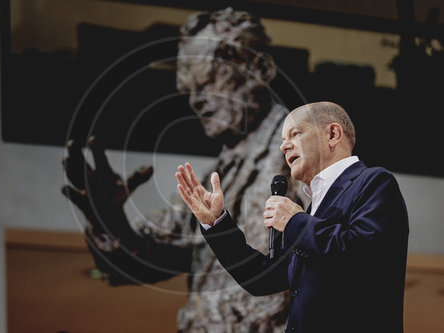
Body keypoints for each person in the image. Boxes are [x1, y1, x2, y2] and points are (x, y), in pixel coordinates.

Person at [62, 8, 308, 332]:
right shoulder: (218, 175)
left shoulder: (304, 157)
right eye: (188, 89)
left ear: (259, 69)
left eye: (207, 81)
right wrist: (111, 221)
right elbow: (143, 261)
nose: (195, 101)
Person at [176, 101, 409, 333]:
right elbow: (262, 278)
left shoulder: (374, 182)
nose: (283, 147)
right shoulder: (314, 209)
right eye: (281, 140)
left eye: (294, 134)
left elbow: (363, 255)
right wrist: (216, 223)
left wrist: (295, 221)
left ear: (333, 134)